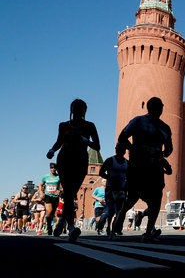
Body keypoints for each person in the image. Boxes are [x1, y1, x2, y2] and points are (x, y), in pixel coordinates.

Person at [112, 97, 173, 242]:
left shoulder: (164, 127)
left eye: (159, 106)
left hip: (154, 168)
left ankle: (147, 232)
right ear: (149, 107)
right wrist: (133, 149)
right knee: (132, 198)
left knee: (156, 199)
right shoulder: (138, 121)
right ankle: (120, 219)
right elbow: (122, 138)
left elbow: (169, 149)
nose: (158, 109)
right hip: (138, 166)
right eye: (155, 106)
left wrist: (161, 157)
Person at [46, 99, 100, 242]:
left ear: (84, 111)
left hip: (80, 161)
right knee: (69, 194)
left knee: (71, 194)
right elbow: (58, 142)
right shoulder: (63, 125)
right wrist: (52, 150)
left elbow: (97, 146)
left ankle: (61, 222)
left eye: (81, 108)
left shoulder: (89, 126)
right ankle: (71, 227)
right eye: (76, 108)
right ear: (71, 110)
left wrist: (85, 141)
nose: (78, 110)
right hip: (64, 160)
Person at [97, 142, 129, 240]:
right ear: (116, 150)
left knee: (119, 212)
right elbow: (101, 172)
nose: (120, 150)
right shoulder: (110, 160)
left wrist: (126, 188)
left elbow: (129, 176)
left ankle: (113, 230)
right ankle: (107, 227)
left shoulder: (127, 163)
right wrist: (109, 177)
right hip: (110, 190)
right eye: (119, 148)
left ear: (124, 151)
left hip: (121, 190)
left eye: (122, 149)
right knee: (110, 211)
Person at [40, 163, 61, 235]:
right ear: (50, 169)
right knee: (49, 212)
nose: (53, 169)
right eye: (52, 168)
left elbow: (64, 186)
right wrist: (41, 192)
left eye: (55, 168)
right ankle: (49, 227)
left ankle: (48, 224)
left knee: (52, 213)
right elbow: (40, 185)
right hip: (48, 196)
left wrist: (59, 190)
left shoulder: (59, 177)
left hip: (55, 197)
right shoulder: (46, 177)